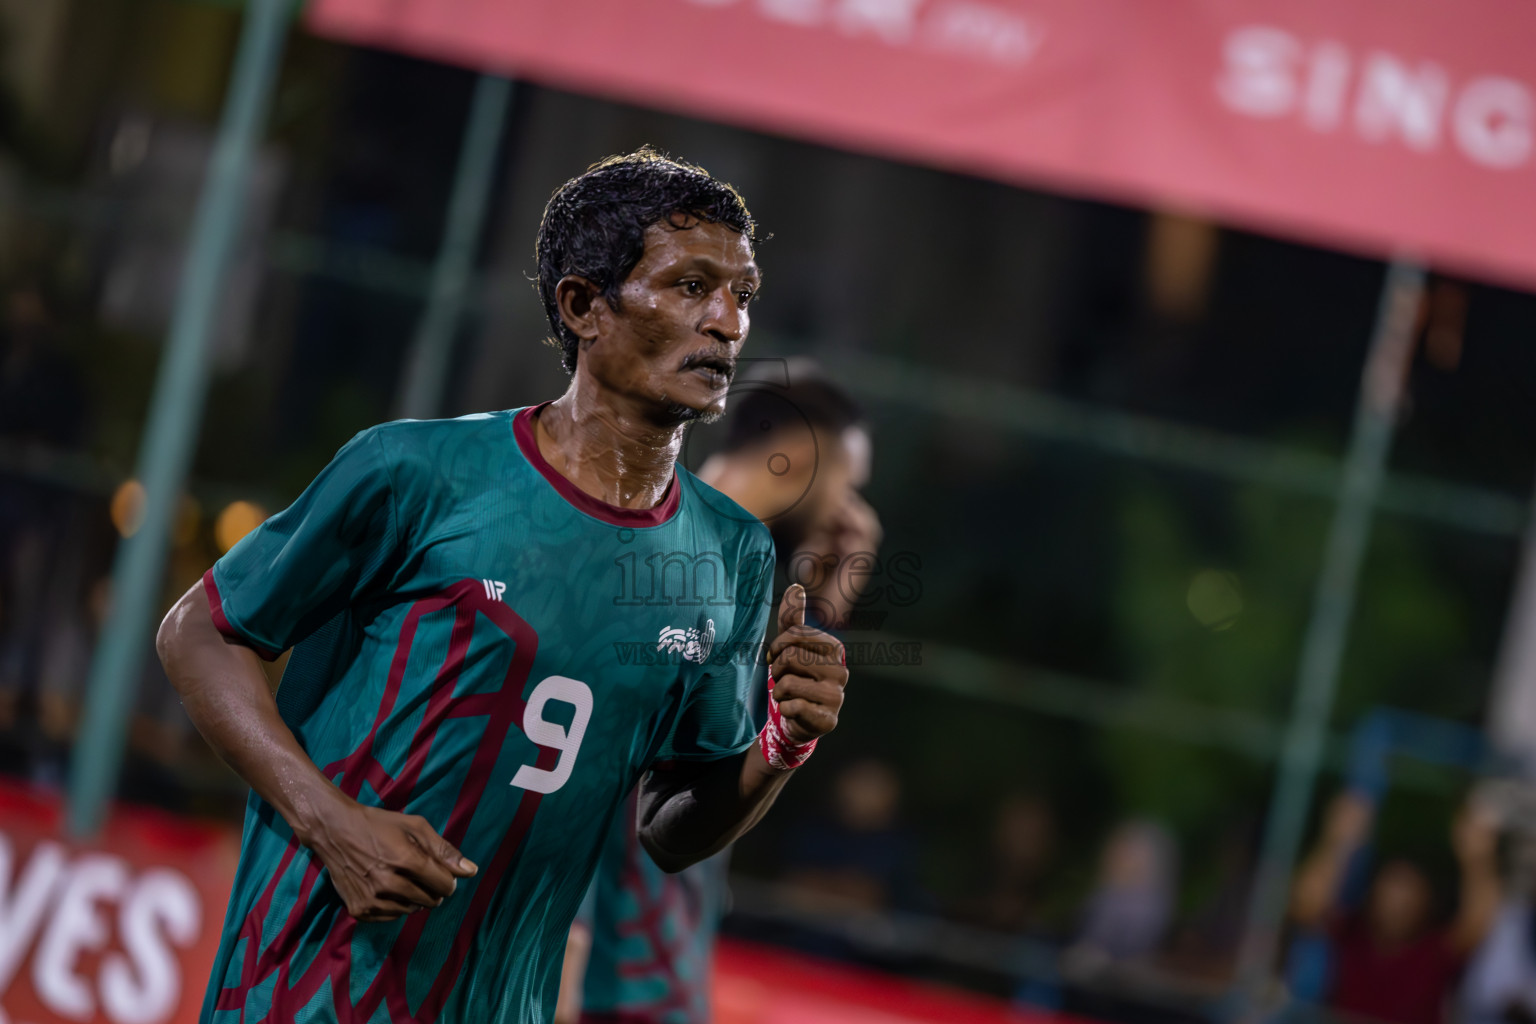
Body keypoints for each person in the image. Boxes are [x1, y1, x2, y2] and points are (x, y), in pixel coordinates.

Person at [156, 149, 851, 1024]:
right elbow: (199, 633)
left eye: (742, 295)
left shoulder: (734, 554)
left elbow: (673, 827)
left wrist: (780, 746)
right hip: (307, 989)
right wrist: (330, 822)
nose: (727, 322)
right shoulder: (415, 473)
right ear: (583, 306)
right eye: (690, 287)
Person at [557, 366, 879, 1024]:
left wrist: (825, 609)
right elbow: (580, 777)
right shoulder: (669, 570)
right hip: (607, 990)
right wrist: (563, 960)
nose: (853, 516)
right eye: (846, 487)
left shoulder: (736, 575)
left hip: (659, 988)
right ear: (798, 464)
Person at [1289, 790, 1502, 1024]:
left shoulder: (1433, 951)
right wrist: (1336, 842)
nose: (1397, 901)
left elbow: (1478, 925)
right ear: (1373, 893)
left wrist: (1477, 860)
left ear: (1426, 904)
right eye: (1391, 888)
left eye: (1409, 892)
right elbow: (1306, 906)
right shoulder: (1353, 933)